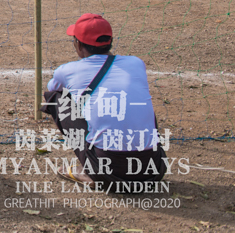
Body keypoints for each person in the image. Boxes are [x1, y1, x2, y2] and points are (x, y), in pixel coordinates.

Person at [42, 14, 166, 192]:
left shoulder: (68, 70)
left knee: (57, 98)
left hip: (106, 172)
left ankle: (89, 171)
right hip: (153, 170)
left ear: (78, 44)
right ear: (110, 41)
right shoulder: (136, 63)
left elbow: (53, 88)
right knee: (132, 102)